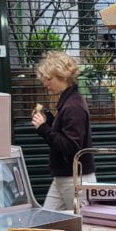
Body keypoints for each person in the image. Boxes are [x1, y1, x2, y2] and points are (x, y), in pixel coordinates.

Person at [31, 51, 96, 212]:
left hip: (74, 179)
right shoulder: (69, 102)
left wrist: (43, 128)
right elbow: (64, 133)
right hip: (65, 177)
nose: (45, 83)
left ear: (63, 77)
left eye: (49, 79)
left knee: (82, 223)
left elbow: (71, 146)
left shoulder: (73, 106)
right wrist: (48, 121)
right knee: (47, 220)